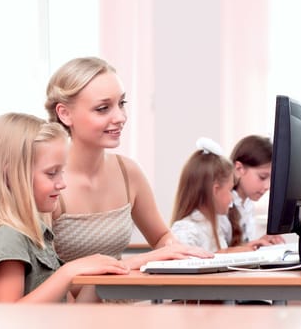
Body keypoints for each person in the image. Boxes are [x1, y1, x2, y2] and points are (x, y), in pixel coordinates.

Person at [44, 57, 213, 272]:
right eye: (103, 108)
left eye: (121, 104)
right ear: (65, 114)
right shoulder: (48, 184)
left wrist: (177, 250)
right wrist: (136, 262)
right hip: (70, 305)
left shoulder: (128, 172)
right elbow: (48, 280)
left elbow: (161, 237)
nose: (120, 117)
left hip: (123, 302)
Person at [0, 112, 129, 303]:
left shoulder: (36, 235)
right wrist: (67, 273)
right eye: (52, 173)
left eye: (62, 172)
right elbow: (8, 319)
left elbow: (72, 313)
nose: (62, 183)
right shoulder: (7, 237)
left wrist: (98, 275)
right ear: (10, 175)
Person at [170, 137, 272, 253]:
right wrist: (232, 253)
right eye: (229, 190)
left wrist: (243, 250)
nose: (231, 198)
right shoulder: (186, 231)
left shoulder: (213, 227)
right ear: (215, 190)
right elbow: (187, 264)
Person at [228, 135, 285, 247]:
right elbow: (216, 254)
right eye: (262, 177)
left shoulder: (248, 205)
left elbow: (241, 246)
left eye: (271, 179)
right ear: (239, 169)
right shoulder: (222, 206)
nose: (267, 186)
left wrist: (259, 243)